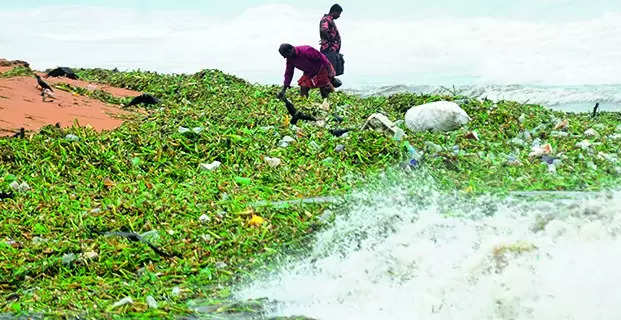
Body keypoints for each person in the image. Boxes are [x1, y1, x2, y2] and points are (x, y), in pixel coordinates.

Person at [320, 4, 344, 84]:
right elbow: (324, 30)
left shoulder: (330, 20)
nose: (339, 16)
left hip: (331, 50)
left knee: (331, 71)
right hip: (328, 50)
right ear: (334, 12)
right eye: (339, 13)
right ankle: (328, 90)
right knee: (329, 72)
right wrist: (332, 41)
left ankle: (329, 89)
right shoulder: (326, 19)